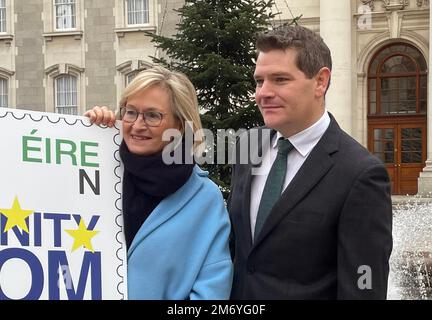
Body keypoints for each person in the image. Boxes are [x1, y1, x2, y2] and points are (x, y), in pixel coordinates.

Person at [228, 25, 392, 299]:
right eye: (259, 81)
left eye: (280, 79)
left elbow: (364, 288)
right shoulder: (247, 146)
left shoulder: (361, 174)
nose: (263, 93)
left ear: (320, 82)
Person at [84, 66, 233, 300]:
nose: (137, 125)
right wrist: (83, 134)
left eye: (153, 115)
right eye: (130, 112)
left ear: (179, 126)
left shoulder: (205, 198)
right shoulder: (96, 170)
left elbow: (211, 289)